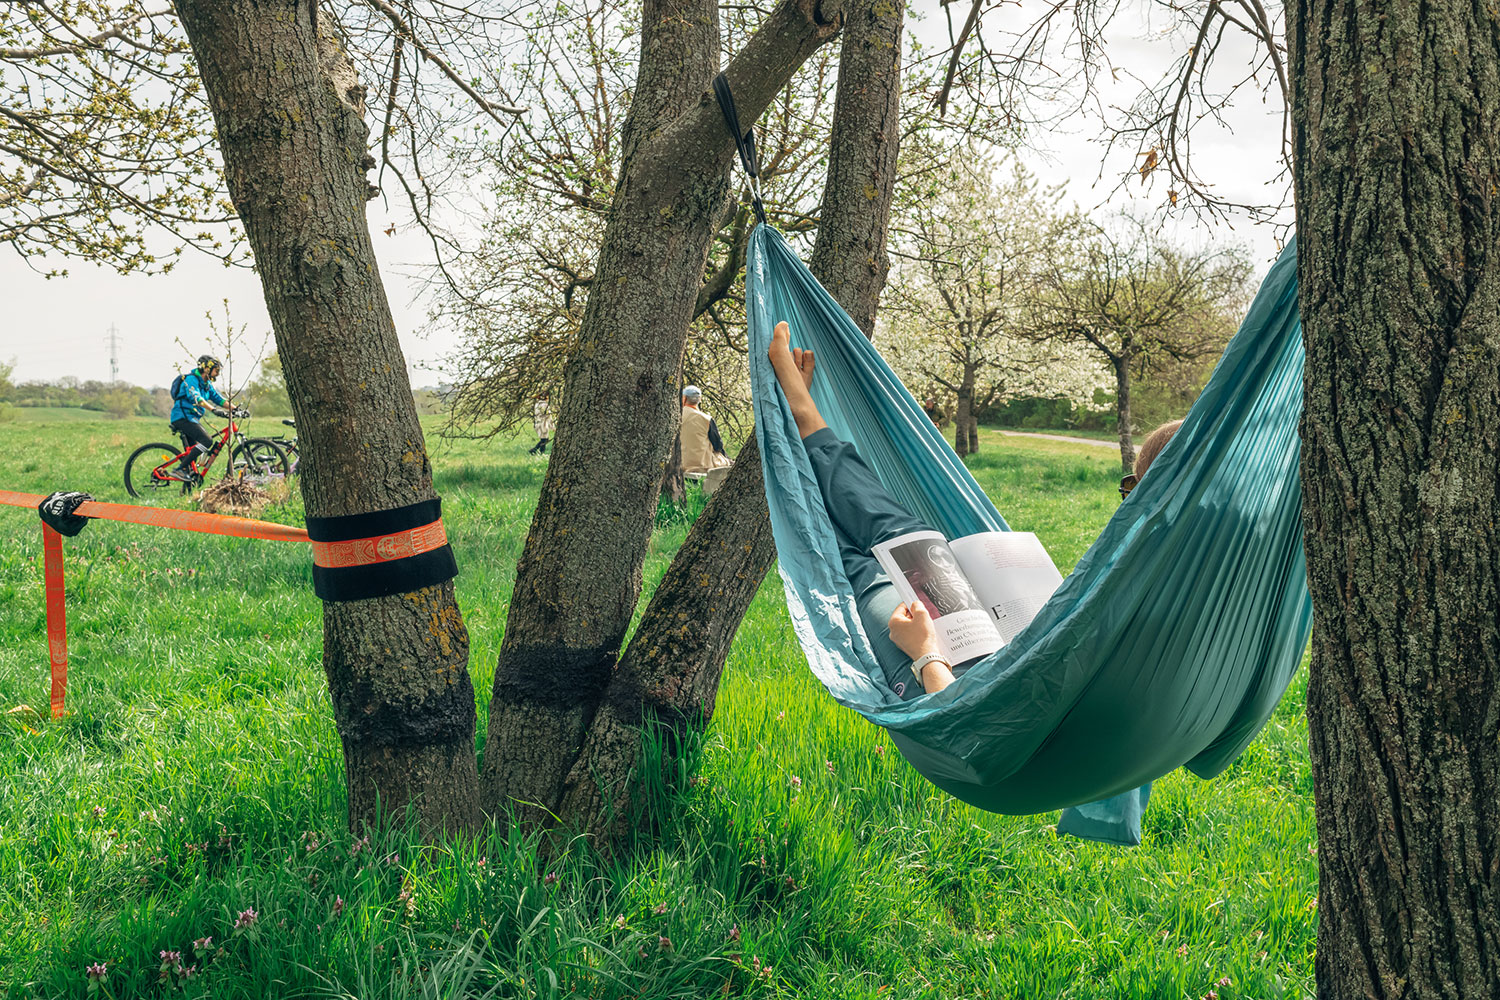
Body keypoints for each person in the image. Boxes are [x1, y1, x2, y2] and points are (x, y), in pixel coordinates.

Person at [768, 320, 1183, 701]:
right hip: (1011, 661)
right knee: (909, 536)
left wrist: (925, 652)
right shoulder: (1203, 599)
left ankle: (801, 417)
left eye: (1132, 488)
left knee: (845, 557)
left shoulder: (1147, 594)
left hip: (963, 688)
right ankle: (805, 419)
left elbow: (965, 732)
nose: (1125, 501)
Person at [166, 355, 229, 482]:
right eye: (216, 370)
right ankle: (179, 469)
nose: (217, 373)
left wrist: (236, 409)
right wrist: (213, 410)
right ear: (206, 369)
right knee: (206, 441)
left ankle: (186, 485)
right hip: (182, 417)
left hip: (192, 419)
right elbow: (197, 398)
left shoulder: (206, 384)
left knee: (192, 458)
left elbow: (219, 399)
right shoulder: (191, 380)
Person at [679, 385, 731, 475]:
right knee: (727, 461)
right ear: (700, 399)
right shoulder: (707, 419)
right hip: (703, 466)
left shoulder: (675, 416)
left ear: (684, 398)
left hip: (679, 463)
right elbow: (718, 446)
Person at [528, 391, 554, 456]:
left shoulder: (537, 405)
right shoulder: (545, 405)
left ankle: (535, 450)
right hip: (543, 424)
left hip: (538, 423)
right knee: (544, 440)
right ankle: (539, 452)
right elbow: (549, 416)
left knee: (544, 439)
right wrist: (553, 427)